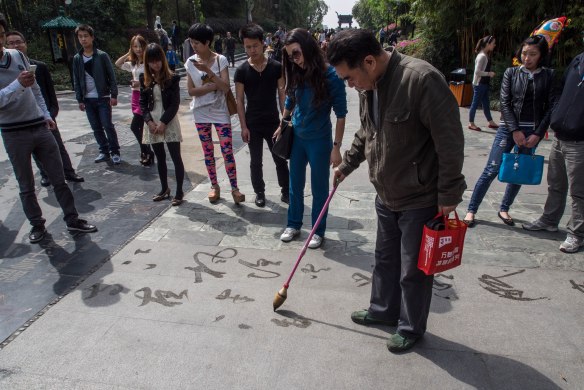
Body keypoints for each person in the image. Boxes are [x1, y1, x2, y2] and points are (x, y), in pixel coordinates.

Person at [327, 29, 466, 352]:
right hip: (386, 192)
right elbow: (367, 131)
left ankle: (410, 326)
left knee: (413, 269)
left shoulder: (421, 80)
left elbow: (450, 142)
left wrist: (448, 194)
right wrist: (347, 164)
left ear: (370, 61)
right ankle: (382, 311)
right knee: (385, 260)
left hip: (419, 196)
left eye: (349, 78)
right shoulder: (370, 85)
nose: (350, 85)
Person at [0, 14, 97, 243]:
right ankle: (37, 226)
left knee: (59, 177)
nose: (1, 41)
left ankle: (72, 219)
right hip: (14, 132)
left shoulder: (16, 56)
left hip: (38, 125)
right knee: (26, 185)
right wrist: (17, 84)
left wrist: (45, 114)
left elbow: (34, 89)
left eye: (1, 35)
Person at [464, 35, 555, 227]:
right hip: (507, 129)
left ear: (541, 55)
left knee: (519, 170)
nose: (527, 58)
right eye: (524, 53)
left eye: (532, 54)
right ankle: (471, 209)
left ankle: (504, 208)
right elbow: (505, 103)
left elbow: (551, 106)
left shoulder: (548, 75)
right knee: (492, 169)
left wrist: (538, 133)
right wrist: (514, 130)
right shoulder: (511, 73)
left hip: (533, 131)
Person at [274, 28, 347, 249]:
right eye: (289, 56)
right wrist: (282, 124)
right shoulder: (296, 72)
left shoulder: (331, 76)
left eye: (296, 53)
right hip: (297, 138)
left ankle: (317, 229)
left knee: (319, 188)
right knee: (295, 185)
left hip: (319, 140)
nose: (293, 60)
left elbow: (341, 114)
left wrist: (336, 148)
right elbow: (290, 100)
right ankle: (294, 224)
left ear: (307, 47)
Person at [522, 49, 584, 253]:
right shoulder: (577, 60)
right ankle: (549, 220)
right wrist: (557, 113)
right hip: (560, 135)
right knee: (556, 184)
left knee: (579, 192)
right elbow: (561, 88)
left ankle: (577, 234)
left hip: (579, 141)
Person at [5, 31, 84, 186]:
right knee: (36, 151)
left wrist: (51, 112)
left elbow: (49, 92)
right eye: (11, 43)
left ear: (25, 43)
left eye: (18, 41)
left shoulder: (39, 67)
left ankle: (69, 172)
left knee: (58, 146)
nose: (16, 45)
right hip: (22, 119)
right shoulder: (7, 70)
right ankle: (45, 174)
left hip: (45, 115)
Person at [185, 23, 245, 204]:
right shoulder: (190, 62)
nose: (194, 46)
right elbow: (190, 91)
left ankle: (235, 188)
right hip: (200, 112)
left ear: (207, 42)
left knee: (227, 150)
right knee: (208, 151)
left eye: (197, 43)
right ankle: (214, 186)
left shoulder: (221, 60)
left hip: (220, 112)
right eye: (192, 42)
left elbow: (226, 87)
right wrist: (207, 88)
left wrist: (208, 71)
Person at [235, 24, 289, 207]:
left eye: (255, 46)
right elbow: (240, 100)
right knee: (255, 161)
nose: (252, 50)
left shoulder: (276, 67)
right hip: (253, 123)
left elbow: (283, 95)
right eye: (248, 47)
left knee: (280, 158)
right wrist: (243, 126)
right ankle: (259, 192)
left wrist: (284, 120)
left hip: (274, 121)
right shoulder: (241, 71)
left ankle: (285, 190)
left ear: (263, 44)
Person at [139, 43, 185, 206]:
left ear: (162, 60)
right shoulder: (144, 79)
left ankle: (179, 191)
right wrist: (149, 122)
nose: (155, 64)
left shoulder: (172, 78)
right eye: (151, 61)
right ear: (147, 62)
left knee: (175, 157)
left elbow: (174, 103)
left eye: (158, 60)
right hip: (152, 121)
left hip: (169, 120)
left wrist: (164, 122)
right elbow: (142, 104)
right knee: (160, 157)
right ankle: (164, 188)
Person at [72, 24, 121, 164]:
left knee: (107, 125)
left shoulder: (101, 56)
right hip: (87, 99)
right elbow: (76, 79)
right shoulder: (77, 58)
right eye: (80, 37)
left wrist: (114, 95)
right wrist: (79, 99)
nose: (83, 39)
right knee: (96, 127)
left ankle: (115, 151)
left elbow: (111, 76)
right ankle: (103, 151)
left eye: (86, 36)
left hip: (102, 97)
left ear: (92, 37)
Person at [115, 35, 154, 166]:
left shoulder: (149, 62)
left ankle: (146, 151)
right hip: (134, 97)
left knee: (134, 126)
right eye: (135, 46)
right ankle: (147, 151)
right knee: (140, 127)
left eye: (140, 46)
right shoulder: (133, 63)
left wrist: (140, 84)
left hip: (145, 97)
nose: (138, 49)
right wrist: (128, 52)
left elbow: (154, 80)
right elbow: (118, 63)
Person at [468, 35, 498, 131]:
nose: (494, 45)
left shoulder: (484, 55)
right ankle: (471, 123)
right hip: (479, 84)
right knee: (475, 104)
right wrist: (489, 73)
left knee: (486, 103)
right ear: (488, 44)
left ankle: (490, 122)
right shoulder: (482, 56)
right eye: (493, 43)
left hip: (483, 84)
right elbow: (477, 72)